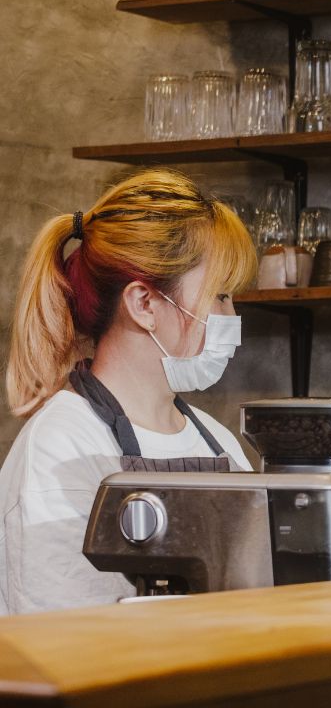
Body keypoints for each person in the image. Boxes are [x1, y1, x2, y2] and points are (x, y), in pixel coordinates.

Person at [0, 168, 257, 614]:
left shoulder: (218, 441)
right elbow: (65, 638)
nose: (231, 317)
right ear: (144, 304)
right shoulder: (62, 445)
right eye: (220, 295)